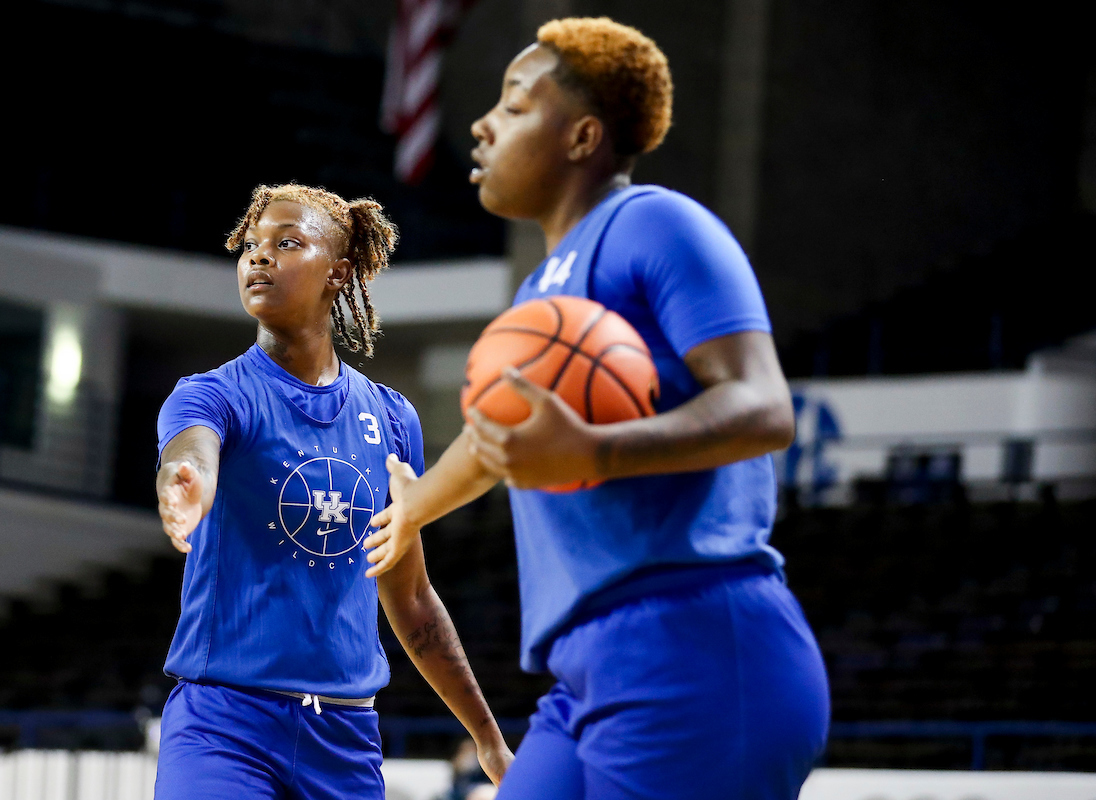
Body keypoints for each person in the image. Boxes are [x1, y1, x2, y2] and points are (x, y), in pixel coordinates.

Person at [363, 17, 830, 800]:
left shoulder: (655, 222)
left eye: (513, 106)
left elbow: (762, 404)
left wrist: (598, 453)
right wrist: (413, 508)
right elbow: (490, 447)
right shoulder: (539, 291)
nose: (481, 123)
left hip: (695, 645)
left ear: (582, 137)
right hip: (585, 671)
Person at [153, 183, 514, 800]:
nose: (258, 258)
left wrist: (486, 736)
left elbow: (412, 595)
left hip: (345, 735)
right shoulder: (211, 393)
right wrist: (186, 476)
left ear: (338, 273)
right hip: (223, 725)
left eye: (287, 244)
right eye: (250, 247)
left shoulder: (394, 419)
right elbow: (192, 447)